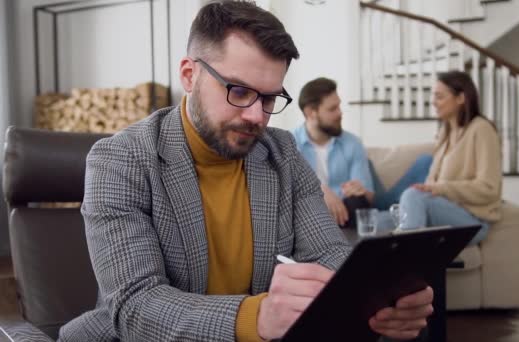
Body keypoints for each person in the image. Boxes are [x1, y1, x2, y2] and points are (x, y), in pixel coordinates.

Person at [58, 2, 433, 341]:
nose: (257, 116)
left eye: (270, 98)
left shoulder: (282, 152)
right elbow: (136, 308)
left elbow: (328, 255)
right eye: (238, 91)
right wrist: (257, 317)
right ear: (189, 76)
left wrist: (377, 299)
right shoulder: (119, 160)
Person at [293, 77, 432, 229]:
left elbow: (367, 197)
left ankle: (403, 218)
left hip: (351, 212)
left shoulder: (352, 143)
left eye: (339, 106)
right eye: (332, 109)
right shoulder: (289, 144)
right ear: (310, 113)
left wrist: (360, 190)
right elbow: (288, 191)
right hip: (313, 216)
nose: (340, 113)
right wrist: (321, 190)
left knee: (357, 203)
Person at [397, 70, 502, 245]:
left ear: (460, 98)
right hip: (442, 209)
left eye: (439, 97)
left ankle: (410, 266)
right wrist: (430, 189)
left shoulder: (482, 130)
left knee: (412, 196)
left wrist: (441, 188)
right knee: (379, 220)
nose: (433, 102)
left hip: (472, 220)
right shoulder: (445, 132)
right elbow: (432, 184)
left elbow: (489, 189)